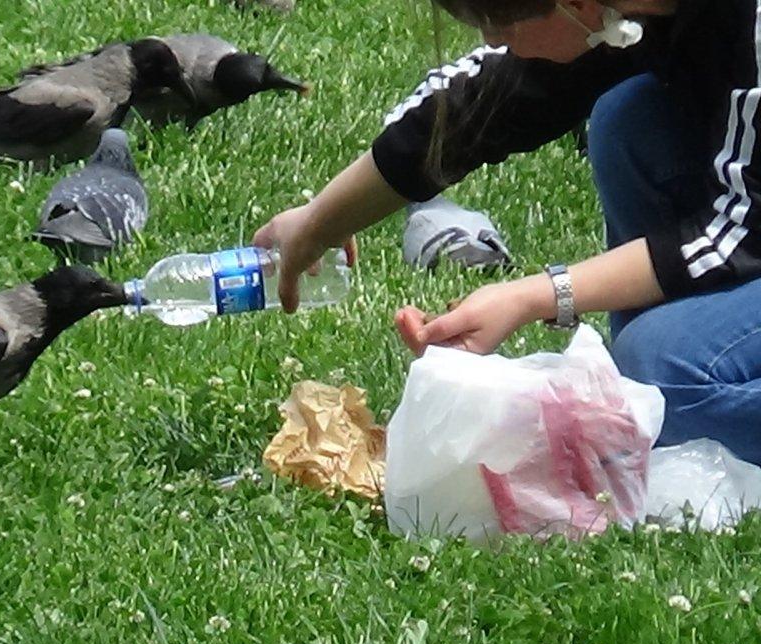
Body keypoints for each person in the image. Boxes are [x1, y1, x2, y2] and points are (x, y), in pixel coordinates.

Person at [253, 0, 761, 462]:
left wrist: (532, 296)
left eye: (501, 24)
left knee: (662, 371)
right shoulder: (619, 12)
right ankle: (666, 410)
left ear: (576, 5)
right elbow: (485, 100)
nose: (491, 43)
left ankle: (671, 398)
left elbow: (737, 235)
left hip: (746, 233)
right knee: (631, 122)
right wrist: (321, 220)